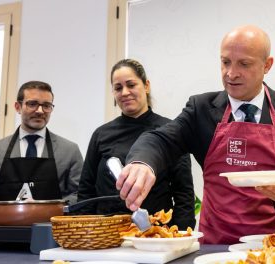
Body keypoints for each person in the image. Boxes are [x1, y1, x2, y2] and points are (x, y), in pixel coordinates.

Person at [115, 25, 275, 244]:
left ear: (267, 65)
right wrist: (143, 162)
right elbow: (160, 139)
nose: (231, 73)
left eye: (244, 64)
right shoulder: (201, 109)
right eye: (225, 62)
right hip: (219, 248)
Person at [77, 59, 195, 230]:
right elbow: (86, 191)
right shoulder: (101, 134)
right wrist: (84, 232)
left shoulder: (170, 132)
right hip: (107, 233)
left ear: (146, 86)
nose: (125, 92)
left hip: (156, 233)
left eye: (131, 85)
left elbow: (184, 194)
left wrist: (182, 236)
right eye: (118, 88)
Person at [0, 81, 83, 204]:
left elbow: (80, 195)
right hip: (4, 223)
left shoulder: (70, 151)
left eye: (46, 105)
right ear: (18, 107)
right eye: (32, 104)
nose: (40, 111)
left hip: (51, 223)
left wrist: (48, 208)